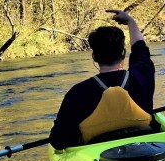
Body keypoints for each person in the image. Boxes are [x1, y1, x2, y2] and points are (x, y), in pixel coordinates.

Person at [49, 10, 155, 150]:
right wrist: (130, 22)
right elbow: (140, 50)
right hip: (145, 150)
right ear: (123, 53)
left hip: (96, 159)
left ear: (94, 57)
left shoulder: (78, 93)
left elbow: (58, 141)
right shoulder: (142, 77)